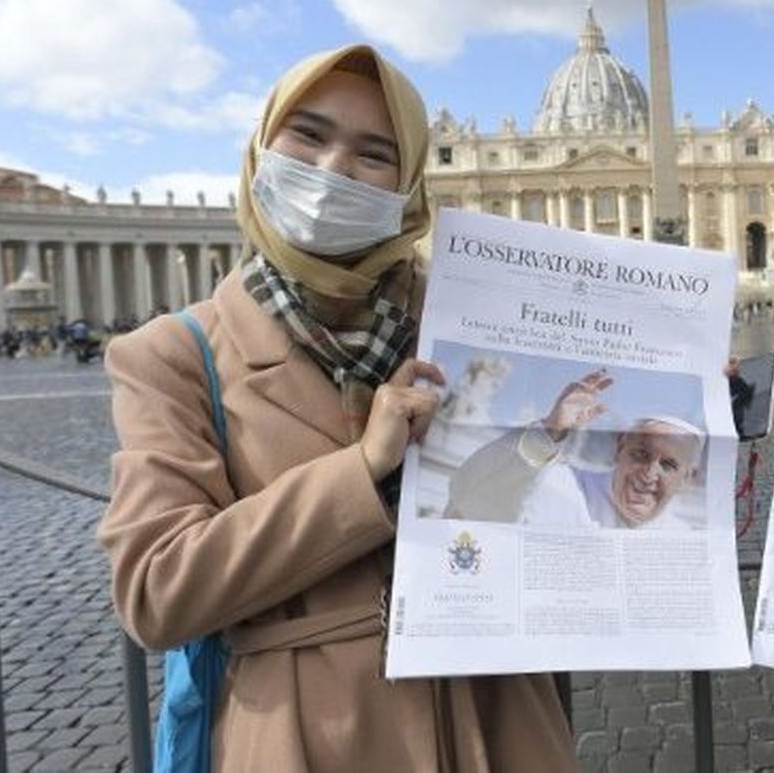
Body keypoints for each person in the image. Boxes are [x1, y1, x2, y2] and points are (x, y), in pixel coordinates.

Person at [98, 45, 575, 772]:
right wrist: (365, 470)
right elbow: (157, 593)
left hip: (495, 719)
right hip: (305, 739)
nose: (332, 173)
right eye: (309, 136)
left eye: (374, 154)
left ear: (409, 182)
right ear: (261, 149)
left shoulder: (481, 322)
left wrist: (693, 380)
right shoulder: (170, 355)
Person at [442, 368, 705, 529]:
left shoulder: (686, 537)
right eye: (640, 454)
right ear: (620, 448)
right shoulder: (559, 485)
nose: (648, 474)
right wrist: (547, 433)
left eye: (668, 465)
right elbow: (467, 499)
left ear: (688, 477)